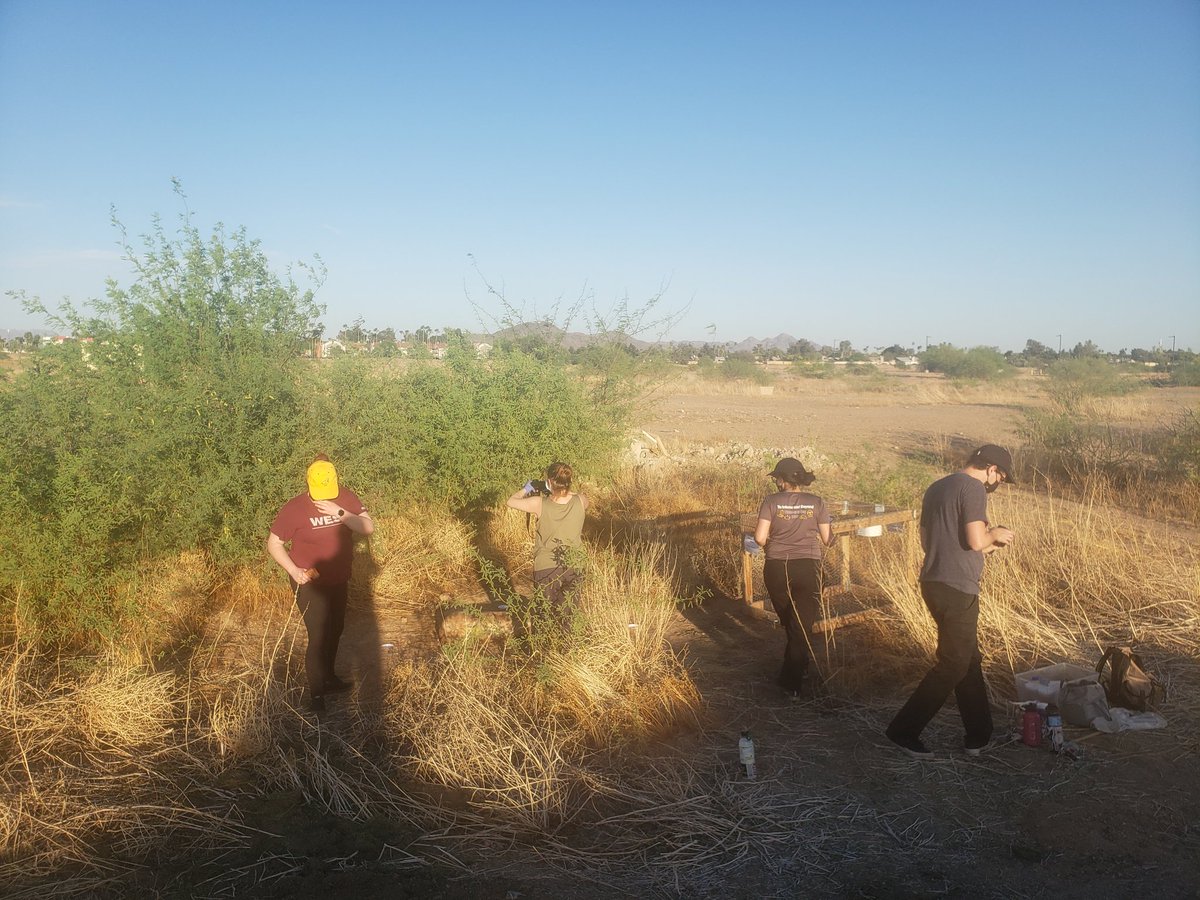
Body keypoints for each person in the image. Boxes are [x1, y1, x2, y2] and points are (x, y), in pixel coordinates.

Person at [886, 443, 1016, 758]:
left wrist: (986, 547)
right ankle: (902, 730)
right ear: (992, 470)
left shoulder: (937, 487)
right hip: (959, 588)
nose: (997, 483)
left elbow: (930, 541)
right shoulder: (973, 489)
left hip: (933, 582)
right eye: (1001, 477)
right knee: (954, 663)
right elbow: (975, 539)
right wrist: (995, 534)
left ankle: (979, 736)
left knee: (968, 660)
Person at [267, 455, 374, 711]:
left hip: (339, 578)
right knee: (319, 635)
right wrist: (293, 571)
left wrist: (340, 512)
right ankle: (316, 696)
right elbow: (274, 543)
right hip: (309, 582)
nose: (323, 496)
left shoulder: (346, 497)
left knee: (336, 629)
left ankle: (329, 678)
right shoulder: (295, 508)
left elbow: (367, 527)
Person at [754, 457, 834, 697]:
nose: (776, 482)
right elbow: (828, 539)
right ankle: (797, 674)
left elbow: (759, 538)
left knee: (790, 620)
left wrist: (772, 545)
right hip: (808, 567)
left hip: (777, 566)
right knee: (801, 624)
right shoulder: (817, 502)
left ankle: (792, 679)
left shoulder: (771, 501)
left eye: (777, 477)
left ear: (782, 480)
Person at [506, 462, 589, 626]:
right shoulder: (582, 500)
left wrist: (528, 488)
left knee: (543, 616)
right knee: (568, 616)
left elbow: (511, 501)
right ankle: (564, 650)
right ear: (569, 480)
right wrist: (558, 489)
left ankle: (544, 650)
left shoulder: (539, 503)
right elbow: (571, 495)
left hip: (546, 568)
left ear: (550, 481)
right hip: (574, 565)